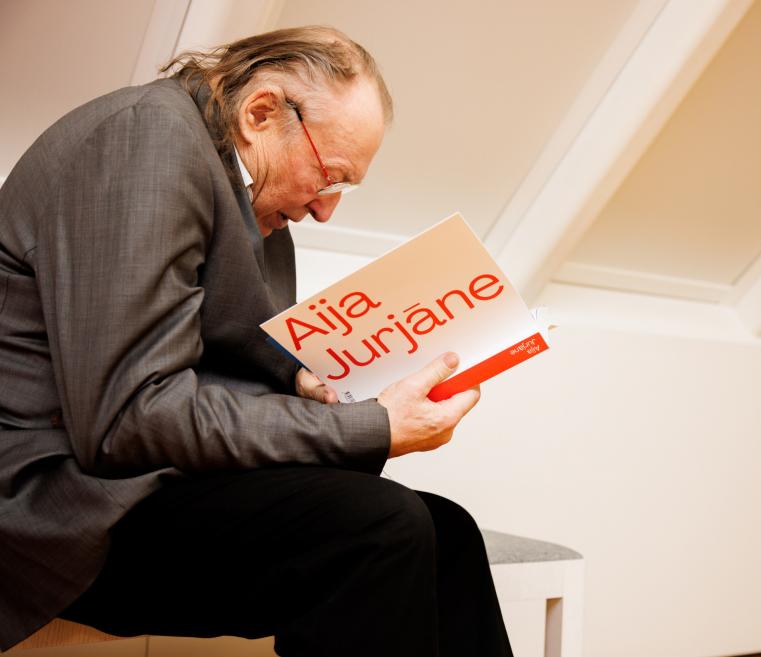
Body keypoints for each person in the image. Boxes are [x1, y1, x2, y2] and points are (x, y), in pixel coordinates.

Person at [0, 25, 513, 656]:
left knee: (449, 532)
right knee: (382, 527)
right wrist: (373, 428)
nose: (327, 209)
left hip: (153, 482)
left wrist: (311, 379)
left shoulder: (246, 197)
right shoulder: (150, 140)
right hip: (62, 504)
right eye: (331, 176)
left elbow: (208, 358)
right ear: (261, 112)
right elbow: (126, 421)